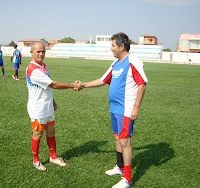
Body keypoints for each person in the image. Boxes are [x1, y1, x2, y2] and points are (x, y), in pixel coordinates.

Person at [76, 32, 148, 188]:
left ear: (122, 46)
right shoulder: (115, 64)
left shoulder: (132, 61)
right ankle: (120, 167)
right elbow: (102, 80)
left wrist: (136, 107)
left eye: (113, 46)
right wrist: (83, 85)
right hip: (114, 108)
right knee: (117, 138)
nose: (111, 49)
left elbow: (142, 84)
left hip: (126, 110)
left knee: (125, 141)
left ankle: (128, 179)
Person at [26, 42, 82, 171]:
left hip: (48, 106)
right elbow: (53, 85)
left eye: (43, 51)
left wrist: (52, 100)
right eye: (38, 51)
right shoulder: (33, 70)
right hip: (38, 108)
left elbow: (45, 87)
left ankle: (53, 157)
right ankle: (36, 160)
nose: (41, 54)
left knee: (51, 132)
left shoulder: (43, 66)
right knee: (38, 134)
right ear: (31, 53)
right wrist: (73, 85)